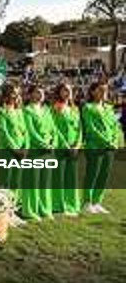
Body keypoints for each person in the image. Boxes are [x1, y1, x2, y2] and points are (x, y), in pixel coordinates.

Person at [81, 80, 118, 214]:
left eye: (105, 90)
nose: (103, 92)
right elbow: (91, 128)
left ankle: (97, 202)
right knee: (93, 174)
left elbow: (115, 126)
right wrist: (107, 142)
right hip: (95, 146)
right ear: (92, 92)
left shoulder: (109, 107)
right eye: (100, 90)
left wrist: (114, 140)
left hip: (110, 147)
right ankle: (87, 202)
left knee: (104, 175)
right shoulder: (88, 107)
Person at [22, 84, 55, 220]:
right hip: (35, 151)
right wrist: (44, 145)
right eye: (37, 92)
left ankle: (44, 209)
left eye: (42, 92)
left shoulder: (46, 110)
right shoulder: (27, 111)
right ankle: (30, 210)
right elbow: (31, 131)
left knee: (45, 182)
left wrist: (53, 143)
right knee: (32, 182)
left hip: (48, 151)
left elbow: (53, 129)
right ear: (30, 95)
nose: (40, 95)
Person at [50, 83, 82, 216]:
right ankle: (59, 205)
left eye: (69, 90)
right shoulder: (55, 108)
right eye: (64, 90)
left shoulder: (75, 109)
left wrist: (77, 145)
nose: (67, 92)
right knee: (59, 177)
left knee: (71, 177)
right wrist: (66, 145)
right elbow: (54, 128)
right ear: (59, 92)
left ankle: (71, 204)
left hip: (74, 148)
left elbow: (80, 129)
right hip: (61, 147)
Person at [0, 83, 27, 205]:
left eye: (18, 93)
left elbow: (25, 131)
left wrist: (24, 147)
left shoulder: (19, 111)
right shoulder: (1, 111)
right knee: (5, 181)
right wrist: (15, 149)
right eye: (13, 93)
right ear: (6, 95)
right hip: (6, 150)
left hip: (20, 151)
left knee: (16, 181)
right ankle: (4, 208)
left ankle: (14, 206)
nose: (16, 95)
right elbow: (3, 132)